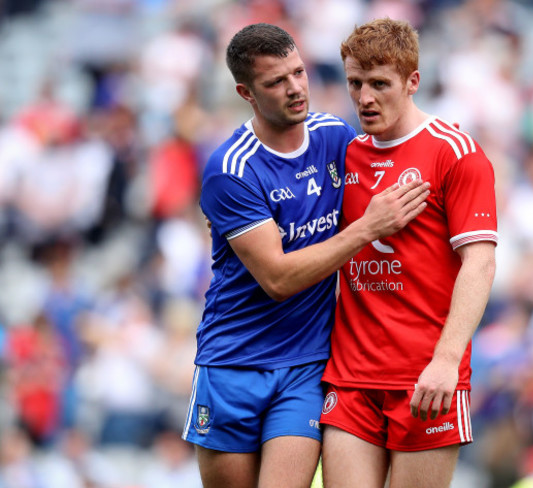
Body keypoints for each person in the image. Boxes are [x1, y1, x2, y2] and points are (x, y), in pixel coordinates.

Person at [181, 23, 430, 488]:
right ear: (246, 92)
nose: (295, 88)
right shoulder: (231, 170)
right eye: (276, 82)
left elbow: (396, 155)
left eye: (299, 72)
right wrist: (367, 229)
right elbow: (277, 279)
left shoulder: (334, 137)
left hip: (307, 364)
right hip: (232, 362)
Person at [320, 18, 498, 488]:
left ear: (412, 82)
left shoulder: (455, 153)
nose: (364, 98)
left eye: (380, 84)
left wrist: (445, 360)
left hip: (426, 379)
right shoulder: (346, 155)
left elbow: (479, 262)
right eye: (355, 83)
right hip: (351, 377)